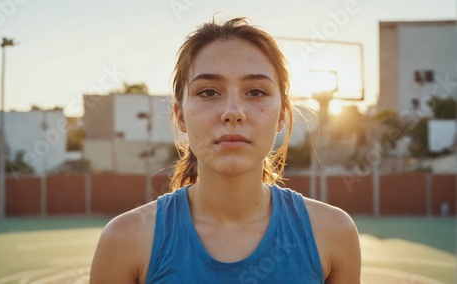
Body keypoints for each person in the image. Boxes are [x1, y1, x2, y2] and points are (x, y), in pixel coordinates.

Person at [90, 17, 361, 284]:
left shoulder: (333, 233)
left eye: (256, 92)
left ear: (282, 116)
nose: (233, 112)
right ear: (181, 116)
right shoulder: (125, 241)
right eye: (208, 92)